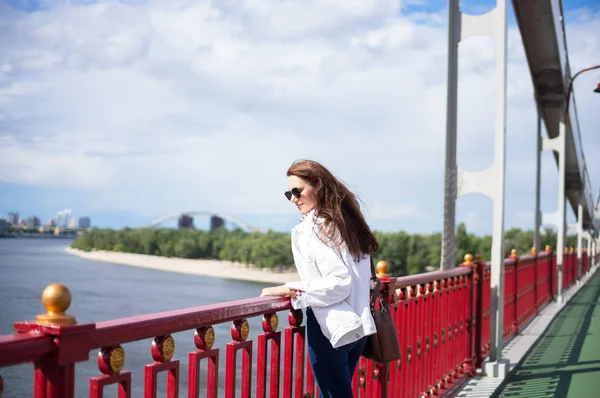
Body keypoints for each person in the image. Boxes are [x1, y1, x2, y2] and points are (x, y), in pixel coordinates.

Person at [261, 159, 379, 398]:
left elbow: (338, 283)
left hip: (332, 327)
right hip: (358, 329)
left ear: (319, 186)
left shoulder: (316, 226)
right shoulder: (346, 224)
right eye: (289, 194)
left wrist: (287, 288)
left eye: (298, 191)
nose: (293, 198)